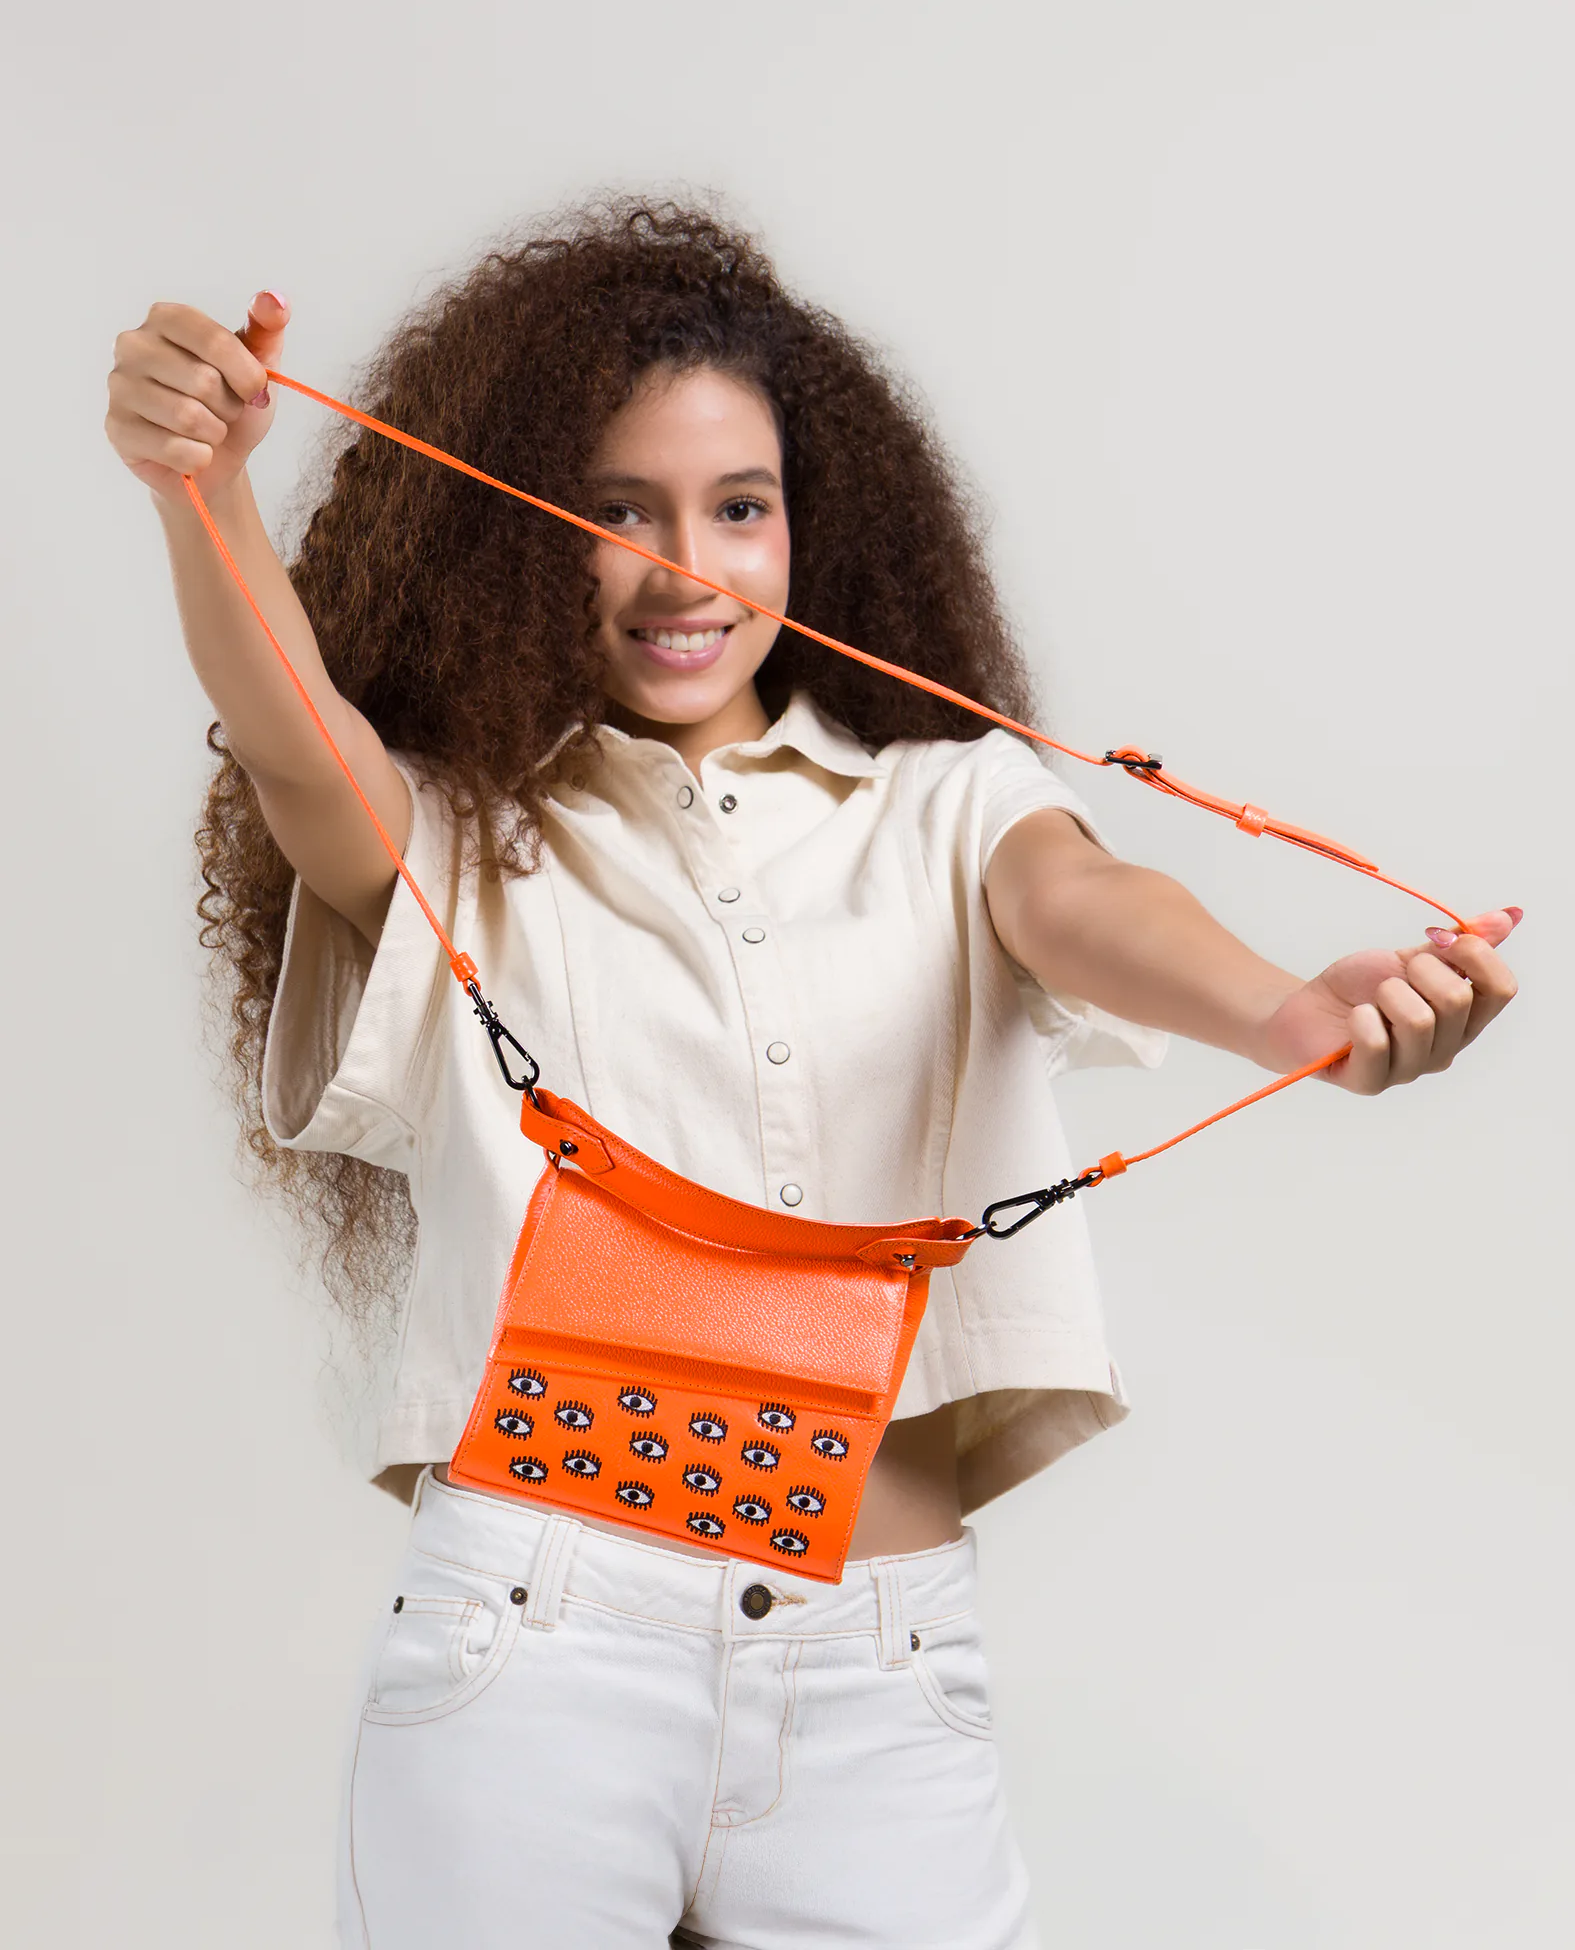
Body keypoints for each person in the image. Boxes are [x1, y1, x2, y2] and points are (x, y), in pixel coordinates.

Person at [104, 196, 1519, 1949]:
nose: (682, 568)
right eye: (613, 510)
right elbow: (299, 748)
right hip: (530, 1648)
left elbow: (1086, 900)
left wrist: (1290, 1017)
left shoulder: (956, 804)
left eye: (737, 508)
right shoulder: (466, 838)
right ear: (513, 534)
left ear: (811, 526)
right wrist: (207, 491)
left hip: (880, 1662)